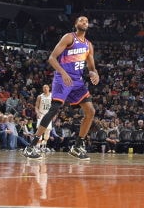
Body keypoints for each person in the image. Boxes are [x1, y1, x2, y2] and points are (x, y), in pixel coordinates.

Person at [22, 15, 100, 160]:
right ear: (76, 24)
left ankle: (77, 146)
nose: (84, 22)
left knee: (90, 111)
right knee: (55, 109)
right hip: (63, 78)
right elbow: (52, 58)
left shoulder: (88, 45)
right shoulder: (69, 37)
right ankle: (31, 146)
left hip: (77, 81)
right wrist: (63, 73)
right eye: (81, 20)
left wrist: (94, 74)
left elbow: (91, 67)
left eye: (87, 21)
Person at [30, 83, 53, 153]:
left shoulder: (52, 96)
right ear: (42, 89)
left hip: (49, 115)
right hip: (41, 114)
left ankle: (44, 146)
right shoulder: (40, 96)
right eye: (44, 88)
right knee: (39, 130)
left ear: (49, 88)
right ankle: (38, 146)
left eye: (46, 87)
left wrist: (54, 114)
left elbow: (55, 106)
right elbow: (36, 106)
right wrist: (37, 113)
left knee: (47, 131)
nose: (45, 89)